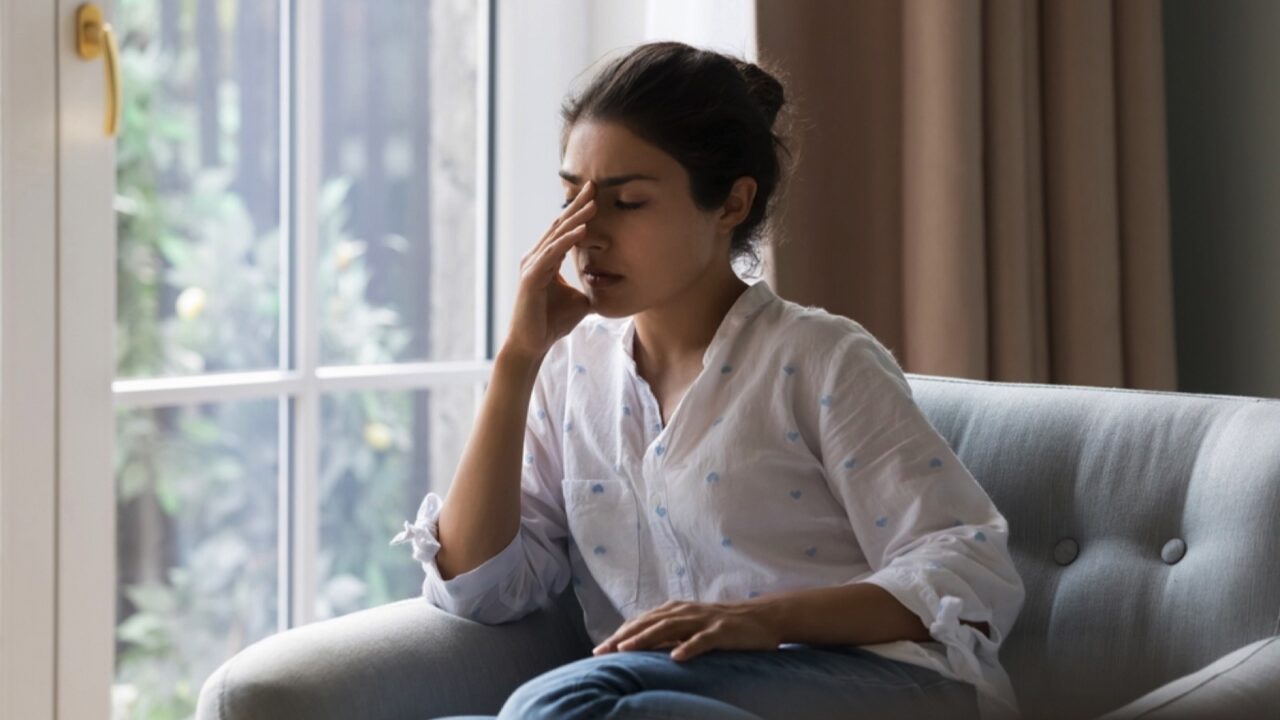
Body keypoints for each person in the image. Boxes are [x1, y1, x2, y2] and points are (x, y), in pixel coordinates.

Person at [392, 40, 1025, 720]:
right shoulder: (570, 374)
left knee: (573, 703)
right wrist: (517, 361)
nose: (584, 234)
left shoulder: (819, 358)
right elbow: (478, 589)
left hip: (879, 686)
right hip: (675, 698)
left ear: (730, 204)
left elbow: (969, 568)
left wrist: (767, 621)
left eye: (625, 202)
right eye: (572, 197)